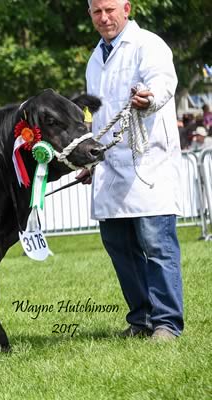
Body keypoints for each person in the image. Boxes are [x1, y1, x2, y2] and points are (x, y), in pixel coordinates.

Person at [79, 0, 183, 341]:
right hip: (109, 167)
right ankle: (141, 319)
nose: (104, 17)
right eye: (97, 11)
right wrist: (91, 161)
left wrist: (148, 99)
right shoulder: (95, 58)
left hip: (146, 162)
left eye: (110, 10)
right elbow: (95, 115)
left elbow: (163, 84)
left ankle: (166, 322)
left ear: (126, 8)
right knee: (118, 245)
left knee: (156, 246)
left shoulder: (148, 44)